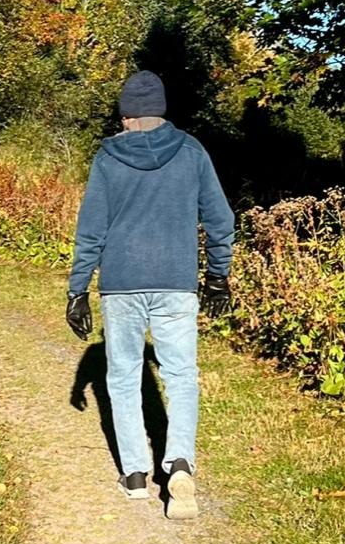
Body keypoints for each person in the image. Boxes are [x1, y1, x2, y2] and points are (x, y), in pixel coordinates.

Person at [65, 70, 234, 520]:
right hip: (177, 284)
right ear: (161, 112)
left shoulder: (107, 158)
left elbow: (91, 231)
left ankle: (136, 476)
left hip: (121, 285)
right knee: (180, 376)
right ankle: (179, 465)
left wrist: (77, 288)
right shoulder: (192, 152)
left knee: (121, 378)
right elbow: (220, 220)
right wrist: (218, 276)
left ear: (125, 116)